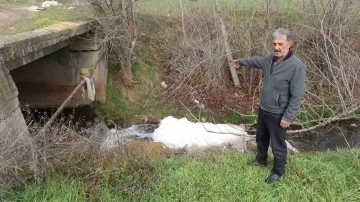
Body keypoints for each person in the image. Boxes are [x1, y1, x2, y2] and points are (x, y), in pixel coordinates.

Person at [233, 28, 306, 184]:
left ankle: (278, 171)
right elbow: (255, 61)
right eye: (274, 43)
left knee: (278, 145)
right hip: (264, 109)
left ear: (289, 44)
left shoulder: (297, 66)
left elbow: (297, 96)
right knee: (261, 138)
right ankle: (261, 160)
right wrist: (240, 61)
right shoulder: (269, 60)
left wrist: (288, 116)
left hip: (279, 113)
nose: (277, 47)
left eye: (281, 43)